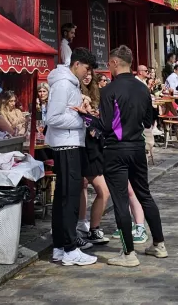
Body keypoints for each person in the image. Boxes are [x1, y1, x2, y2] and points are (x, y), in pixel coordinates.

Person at [97, 45, 167, 267]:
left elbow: (107, 125)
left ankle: (128, 254)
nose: (109, 67)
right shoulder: (143, 88)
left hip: (116, 148)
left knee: (120, 199)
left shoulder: (109, 90)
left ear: (116, 63)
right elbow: (148, 121)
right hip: (137, 147)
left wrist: (88, 117)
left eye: (109, 63)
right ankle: (159, 244)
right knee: (144, 194)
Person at [45, 47, 98, 266]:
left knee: (64, 197)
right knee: (69, 198)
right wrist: (82, 119)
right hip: (66, 145)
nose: (88, 73)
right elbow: (53, 118)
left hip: (70, 143)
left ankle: (60, 245)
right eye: (86, 68)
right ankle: (69, 248)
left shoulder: (70, 84)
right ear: (76, 64)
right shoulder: (64, 84)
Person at [76, 70, 110, 247]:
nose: (87, 76)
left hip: (95, 146)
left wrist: (94, 115)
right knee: (90, 187)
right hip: (83, 146)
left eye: (90, 73)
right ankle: (84, 225)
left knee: (101, 190)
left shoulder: (98, 93)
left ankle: (89, 226)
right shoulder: (75, 92)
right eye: (85, 72)